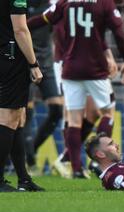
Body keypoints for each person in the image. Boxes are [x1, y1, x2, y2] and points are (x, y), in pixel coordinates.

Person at [27, 0, 124, 178]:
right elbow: (119, 33)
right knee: (108, 112)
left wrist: (17, 28)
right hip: (96, 69)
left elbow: (42, 20)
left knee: (74, 120)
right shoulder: (104, 3)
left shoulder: (65, 2)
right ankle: (99, 163)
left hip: (69, 68)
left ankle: (76, 169)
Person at [0, 0, 44, 192]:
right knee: (8, 117)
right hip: (10, 56)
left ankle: (23, 179)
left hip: (3, 54)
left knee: (18, 118)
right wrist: (33, 64)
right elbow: (20, 29)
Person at [23, 0, 64, 175]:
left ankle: (30, 150)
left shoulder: (50, 6)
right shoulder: (19, 5)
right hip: (25, 63)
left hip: (46, 65)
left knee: (57, 110)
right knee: (26, 112)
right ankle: (30, 162)